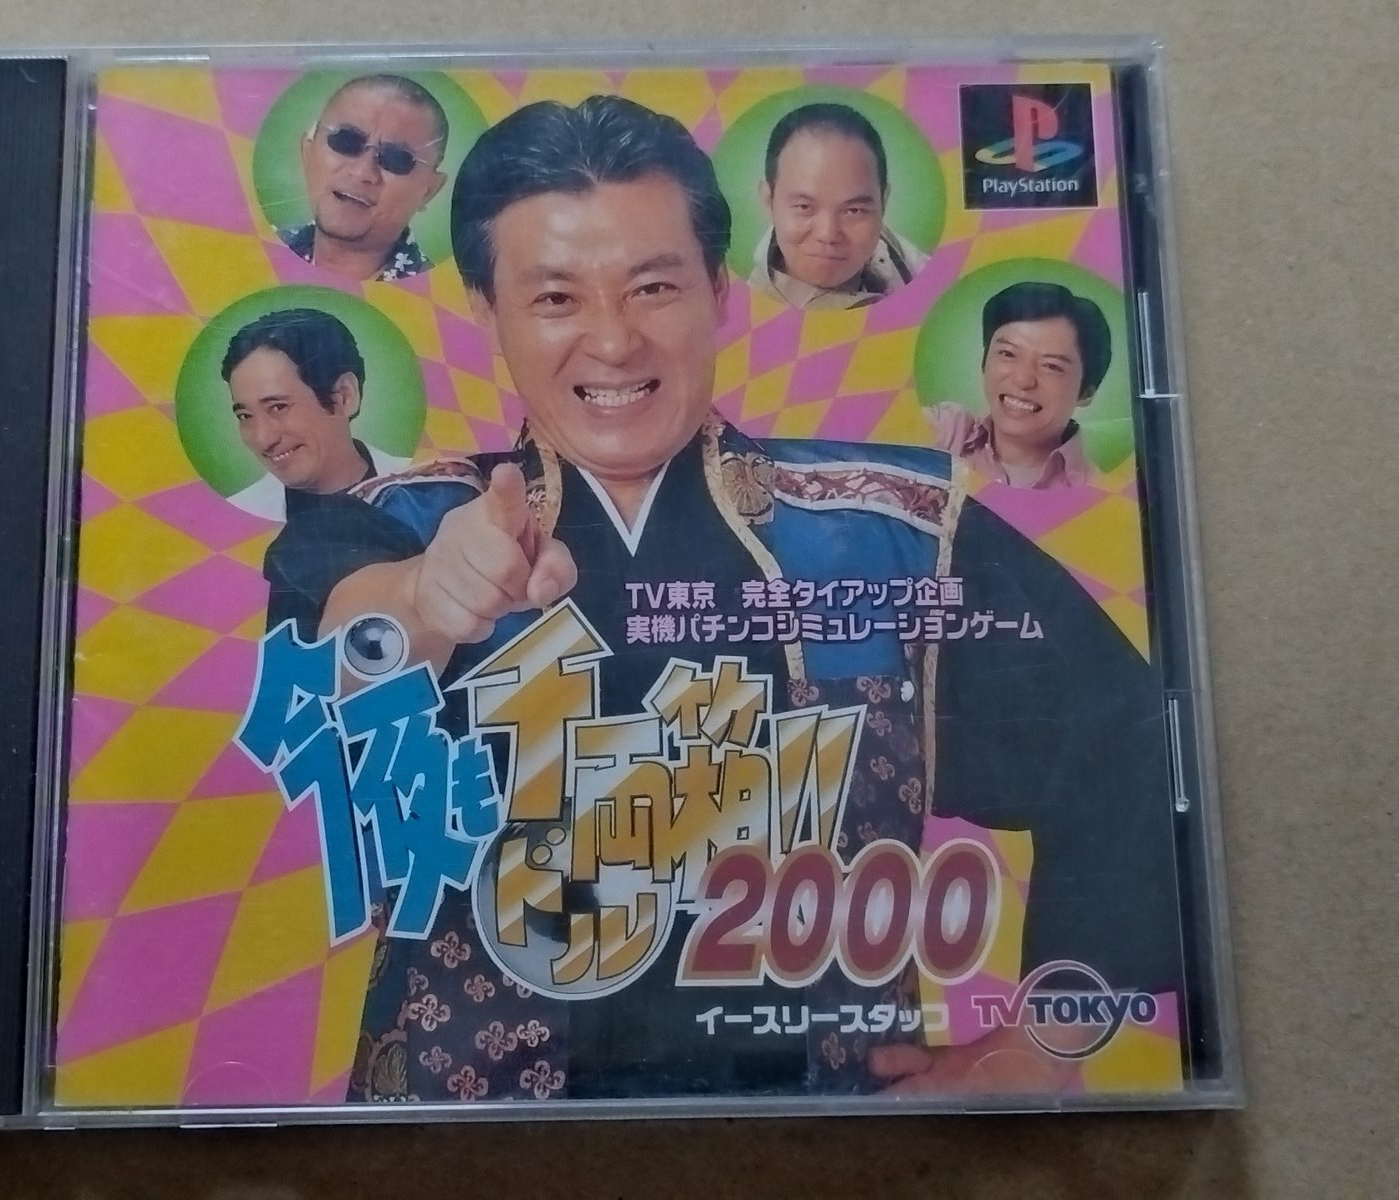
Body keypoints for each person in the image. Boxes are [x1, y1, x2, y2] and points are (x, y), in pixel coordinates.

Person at [318, 96, 1180, 1103]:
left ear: (719, 290)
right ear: (484, 309)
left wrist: (1043, 1042)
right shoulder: (400, 522)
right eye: (554, 298)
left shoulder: (896, 530)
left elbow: (1129, 740)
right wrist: (425, 597)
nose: (613, 342)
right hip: (460, 1138)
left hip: (833, 1134)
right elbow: (332, 633)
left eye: (653, 288)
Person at [220, 308, 412, 640]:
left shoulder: (432, 494)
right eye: (245, 416)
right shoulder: (232, 532)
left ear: (343, 396)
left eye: (278, 407)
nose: (263, 438)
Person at [747, 103, 928, 310]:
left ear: (883, 202)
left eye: (853, 210)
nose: (828, 234)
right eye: (804, 207)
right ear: (768, 200)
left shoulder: (893, 250)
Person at [929, 281, 1110, 489]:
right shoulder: (947, 430)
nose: (1023, 380)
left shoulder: (1099, 491)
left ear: (1086, 392)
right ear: (985, 361)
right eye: (1008, 354)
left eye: (1051, 366)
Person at [276, 74, 449, 282]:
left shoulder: (444, 294)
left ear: (429, 191)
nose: (362, 173)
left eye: (396, 159)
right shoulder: (252, 252)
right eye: (346, 141)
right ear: (307, 151)